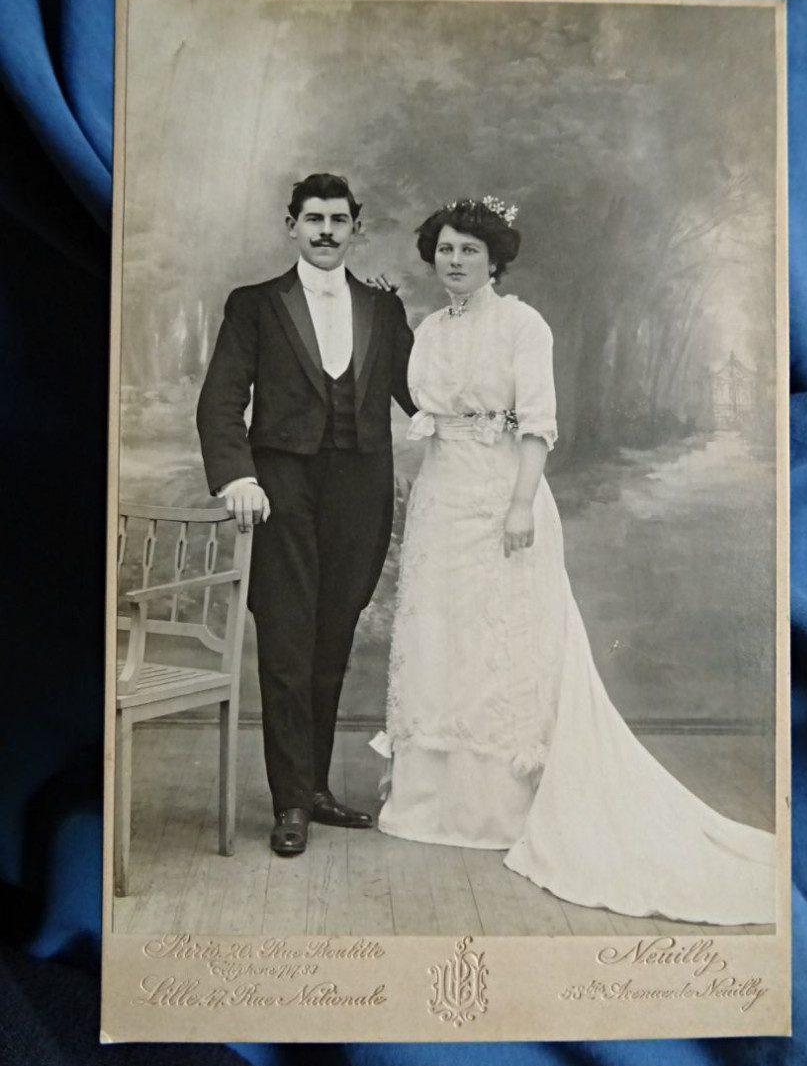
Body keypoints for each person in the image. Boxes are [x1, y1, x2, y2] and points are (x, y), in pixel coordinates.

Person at [371, 196, 776, 925]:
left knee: (507, 643)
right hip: (441, 498)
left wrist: (521, 502)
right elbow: (421, 414)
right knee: (439, 637)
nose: (454, 260)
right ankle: (430, 801)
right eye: (445, 249)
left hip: (503, 494)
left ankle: (503, 806)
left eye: (469, 249)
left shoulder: (524, 326)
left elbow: (536, 424)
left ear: (495, 259)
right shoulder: (428, 329)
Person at [197, 173, 414, 857]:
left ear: (355, 227)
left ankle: (314, 787)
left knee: (331, 641)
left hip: (361, 486)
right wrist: (237, 473)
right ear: (291, 225)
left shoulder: (382, 308)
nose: (325, 230)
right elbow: (220, 401)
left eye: (337, 219)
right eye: (312, 218)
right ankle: (290, 801)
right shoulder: (255, 305)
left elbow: (420, 390)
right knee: (288, 645)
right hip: (281, 486)